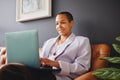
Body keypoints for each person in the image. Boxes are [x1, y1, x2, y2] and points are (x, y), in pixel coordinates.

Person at [0, 11, 91, 80]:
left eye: (63, 22)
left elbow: (83, 67)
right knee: (8, 69)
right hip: (42, 71)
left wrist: (56, 64)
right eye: (57, 23)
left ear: (71, 23)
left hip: (59, 76)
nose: (59, 26)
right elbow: (41, 61)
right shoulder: (49, 42)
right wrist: (40, 62)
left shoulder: (82, 41)